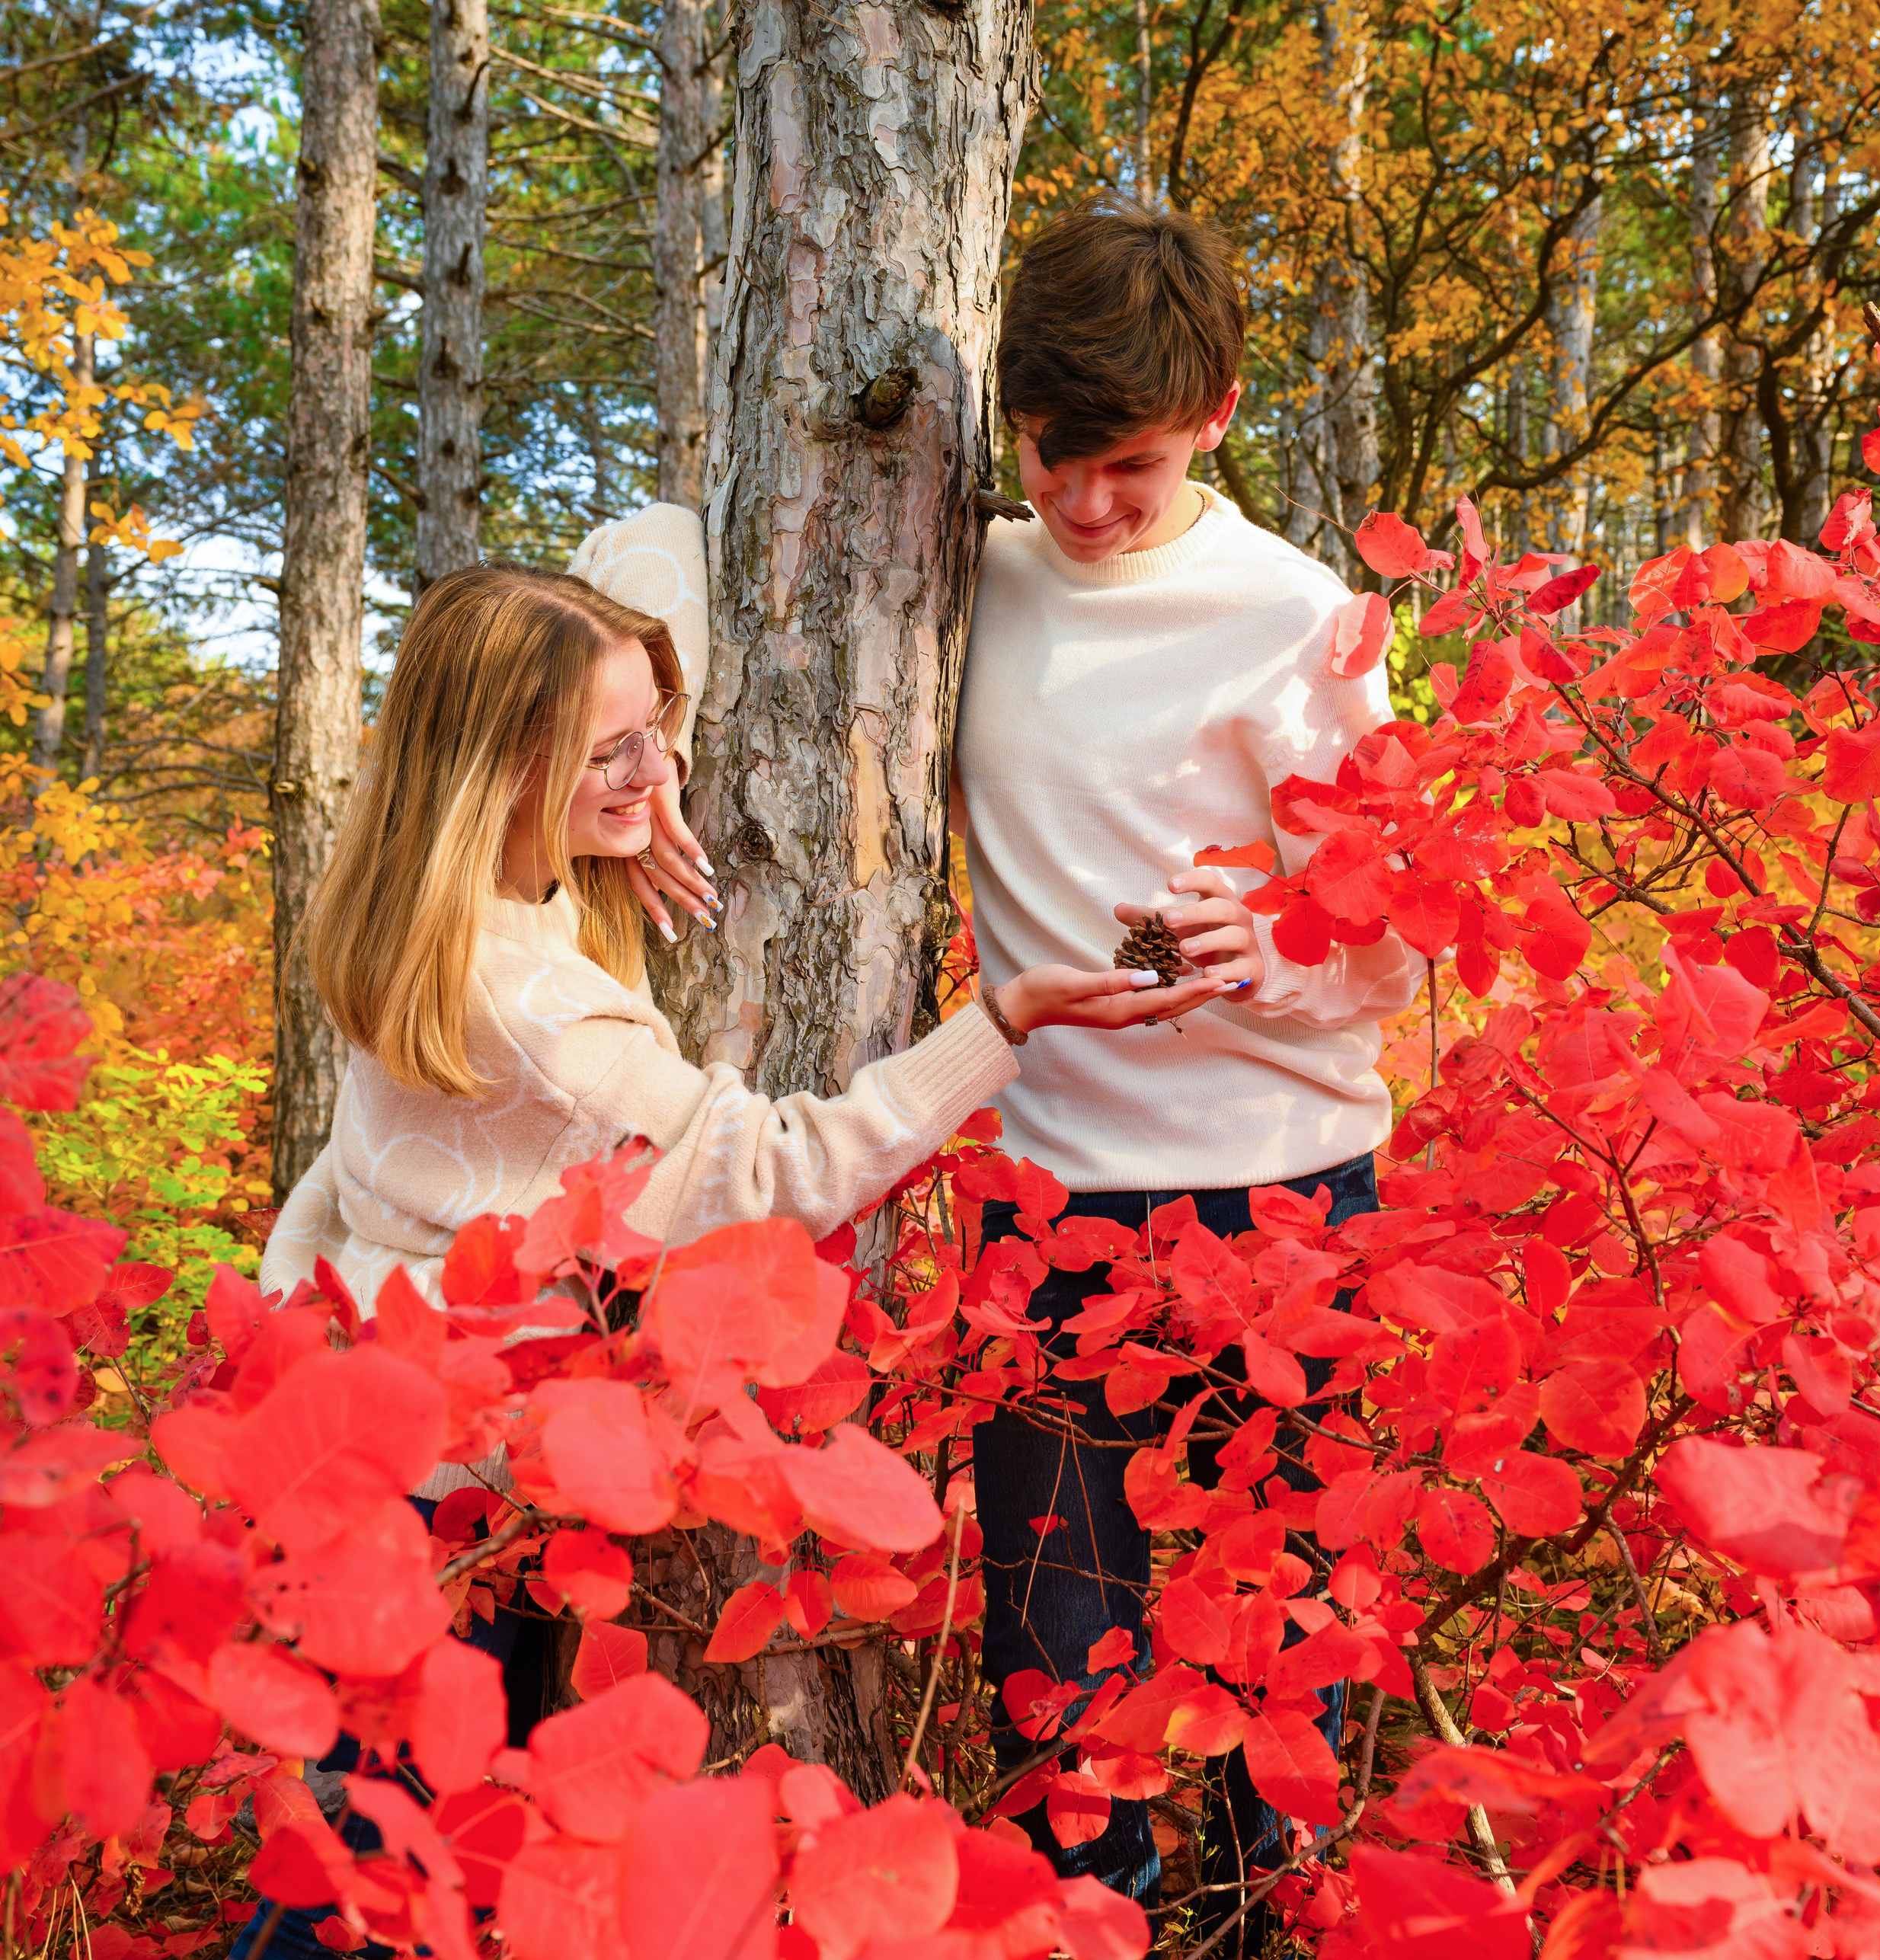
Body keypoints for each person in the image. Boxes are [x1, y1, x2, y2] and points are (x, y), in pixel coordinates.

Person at [233, 540, 1229, 1960]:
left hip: (365, 1431)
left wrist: (640, 793)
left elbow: (658, 548)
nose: (657, 761)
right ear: (509, 769)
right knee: (365, 1876)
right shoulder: (545, 1010)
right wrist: (1003, 1021)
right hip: (457, 1505)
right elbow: (780, 1171)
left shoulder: (411, 906)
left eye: (661, 726)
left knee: (379, 1843)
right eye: (614, 751)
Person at [957, 196, 1425, 1953]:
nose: (1085, 506)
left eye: (1131, 469)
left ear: (1217, 411)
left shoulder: (1293, 620)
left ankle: (1273, 1928)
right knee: (1063, 1675)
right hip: (1050, 1202)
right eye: (1054, 459)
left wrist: (1286, 949)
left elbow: (1406, 928)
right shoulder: (964, 574)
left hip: (1285, 1195)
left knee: (1277, 1654)